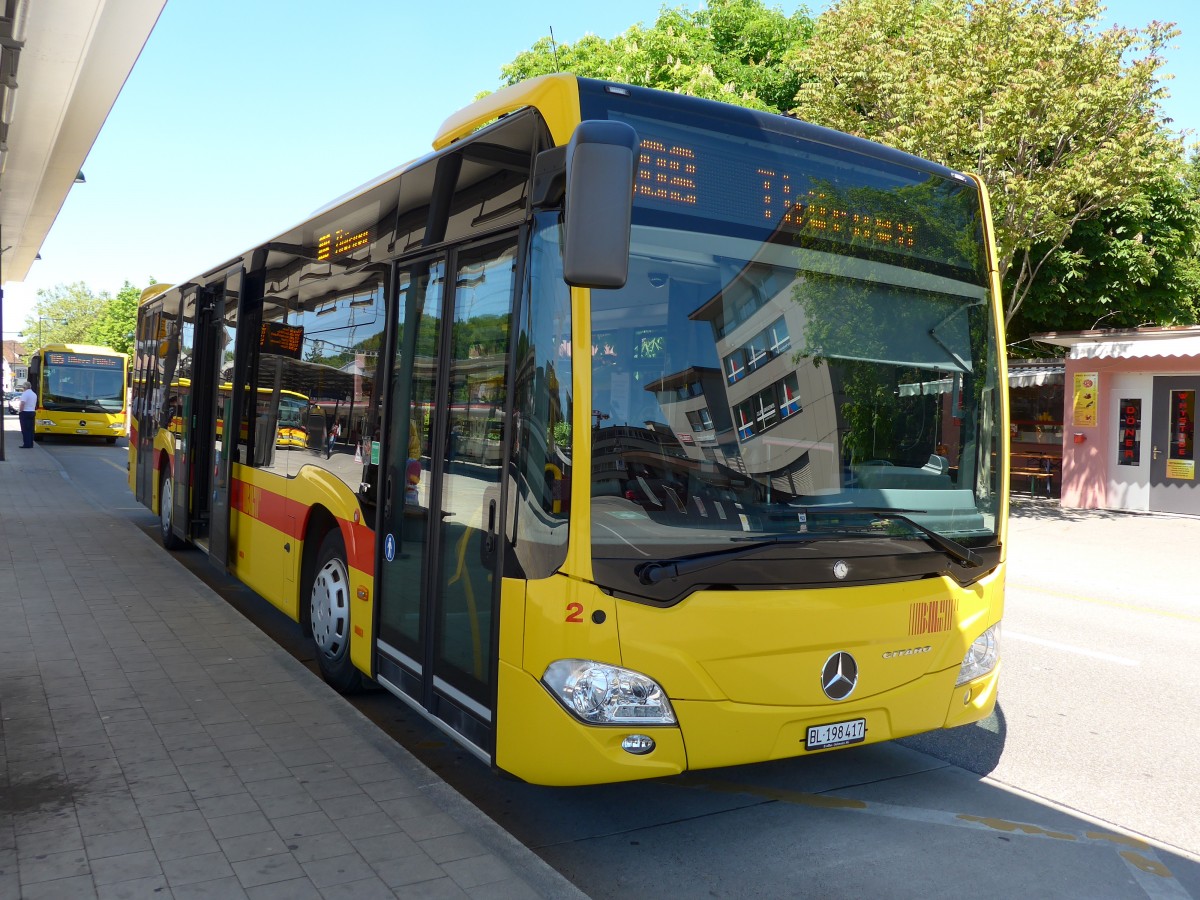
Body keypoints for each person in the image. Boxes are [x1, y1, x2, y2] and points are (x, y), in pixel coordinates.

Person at [18, 380, 37, 448]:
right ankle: (31, 443)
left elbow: (22, 403)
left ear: (25, 387)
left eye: (23, 387)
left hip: (25, 412)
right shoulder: (34, 394)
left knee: (25, 429)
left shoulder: (25, 394)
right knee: (31, 429)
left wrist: (20, 411)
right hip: (32, 412)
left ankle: (26, 444)